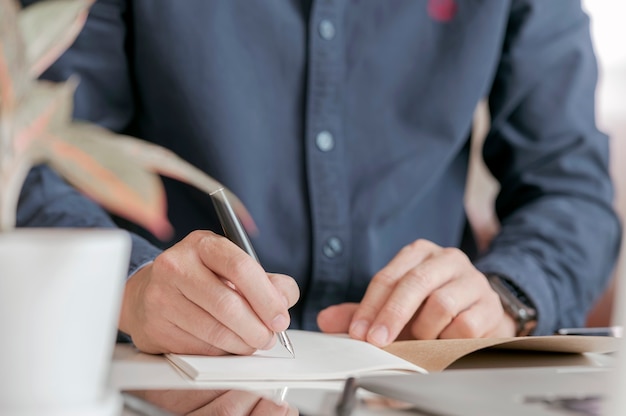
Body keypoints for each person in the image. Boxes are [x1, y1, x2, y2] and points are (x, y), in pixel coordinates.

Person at [18, 0, 621, 355]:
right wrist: (129, 285)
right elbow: (33, 157)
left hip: (421, 374)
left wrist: (505, 297)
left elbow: (570, 189)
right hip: (169, 372)